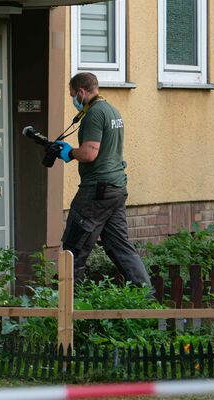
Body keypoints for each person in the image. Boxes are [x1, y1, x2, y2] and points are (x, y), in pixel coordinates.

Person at [55, 72, 152, 287]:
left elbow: (90, 153)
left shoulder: (94, 114)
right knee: (120, 246)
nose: (73, 100)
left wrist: (69, 153)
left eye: (73, 95)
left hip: (96, 191)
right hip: (115, 189)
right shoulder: (112, 110)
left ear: (81, 92)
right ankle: (146, 297)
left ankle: (68, 304)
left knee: (74, 248)